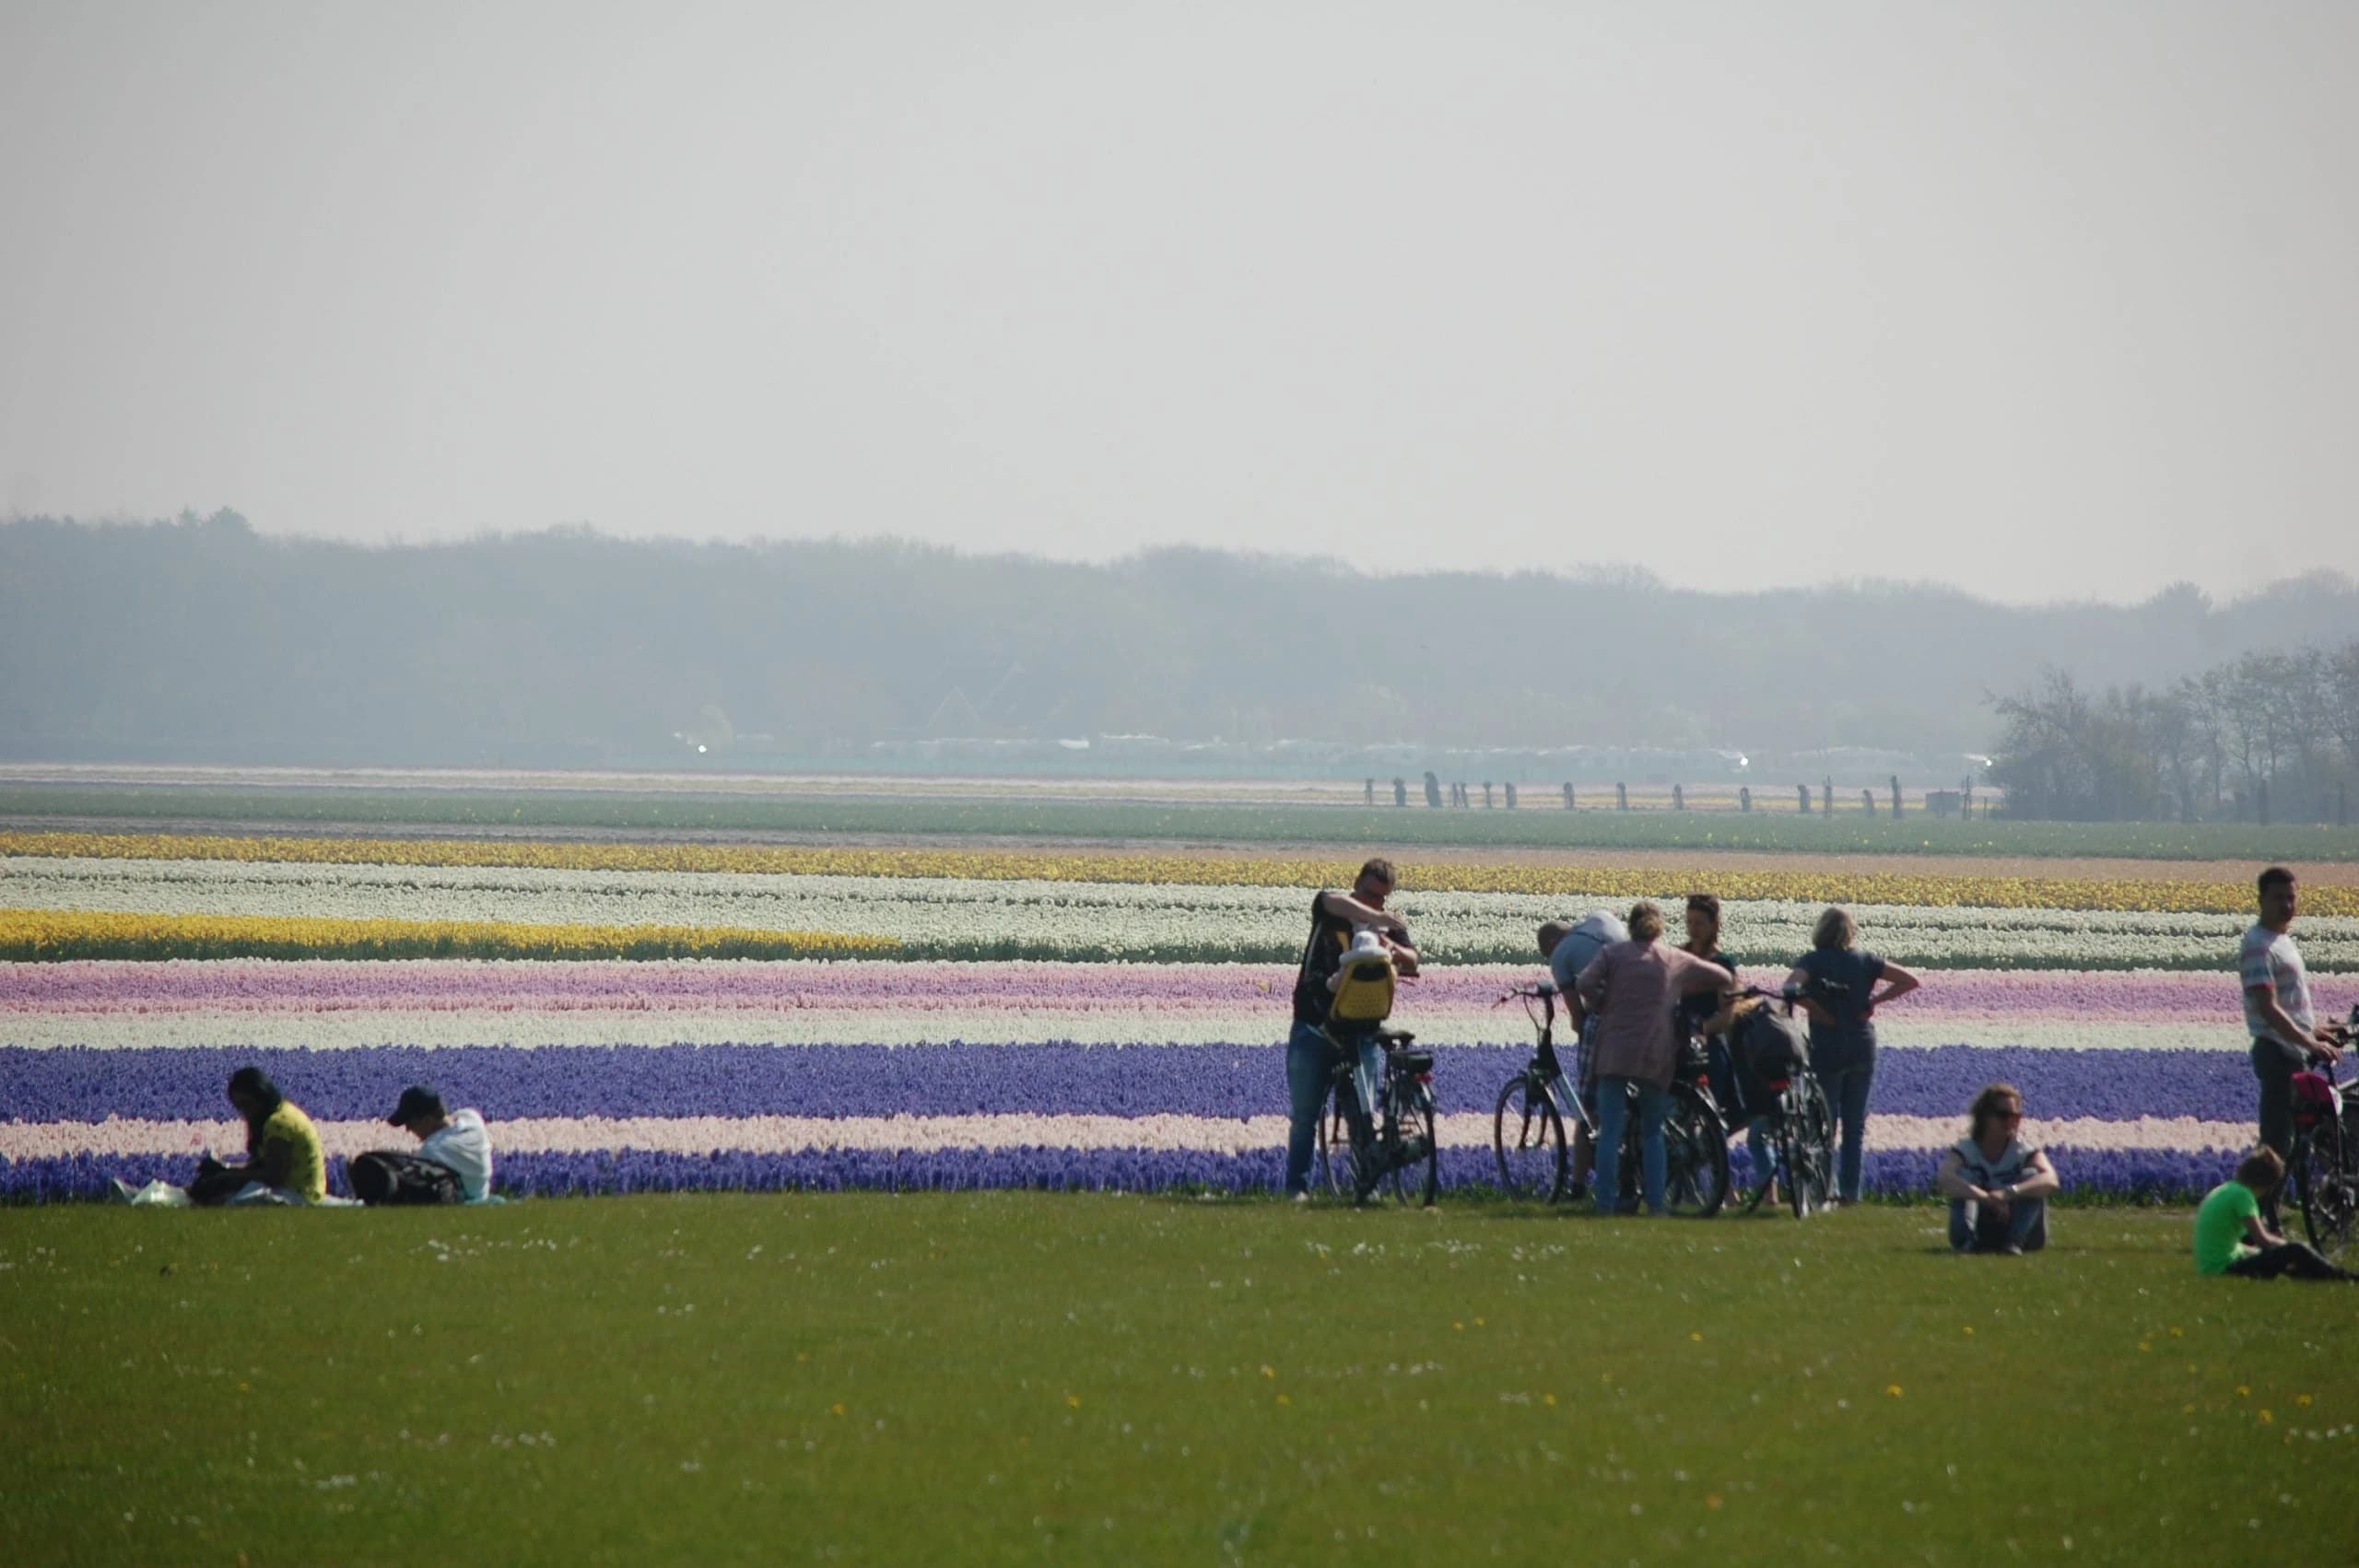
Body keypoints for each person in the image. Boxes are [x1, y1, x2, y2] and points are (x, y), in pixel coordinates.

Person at [1572, 901, 1730, 1217]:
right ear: (1659, 927)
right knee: (1653, 1130)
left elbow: (1583, 983)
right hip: (1655, 1051)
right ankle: (1657, 1204)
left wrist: (1603, 1004)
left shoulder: (1612, 955)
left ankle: (1604, 1203)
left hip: (1615, 1048)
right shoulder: (1672, 957)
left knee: (1610, 1131)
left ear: (1630, 927)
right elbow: (1722, 975)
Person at [1285, 859, 1418, 1199]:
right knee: (1305, 1116)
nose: (1375, 903)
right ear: (1356, 883)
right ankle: (1296, 1189)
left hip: (1361, 1031)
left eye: (1382, 898)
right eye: (1368, 893)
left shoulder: (1388, 927)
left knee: (1362, 1114)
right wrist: (1377, 919)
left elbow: (1413, 960)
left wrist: (1390, 946)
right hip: (1314, 1027)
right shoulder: (1332, 911)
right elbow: (1330, 899)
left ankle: (1365, 1186)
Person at [1788, 907, 1919, 1205]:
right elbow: (1910, 980)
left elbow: (1790, 988)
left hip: (1828, 1048)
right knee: (1854, 1126)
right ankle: (1850, 1194)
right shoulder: (1866, 960)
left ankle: (1822, 1190)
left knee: (1825, 1123)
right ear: (1850, 933)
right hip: (1862, 1046)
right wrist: (1874, 1001)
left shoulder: (1813, 961)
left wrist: (1816, 1009)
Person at [2242, 866, 2346, 1222]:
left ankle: (2269, 1214)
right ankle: (2253, 1221)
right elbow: (2267, 1009)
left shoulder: (2282, 941)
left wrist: (2317, 1030)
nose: (2286, 905)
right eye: (2277, 898)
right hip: (2278, 1054)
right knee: (2276, 1143)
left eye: (2291, 897)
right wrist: (2307, 1041)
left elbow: (2288, 1005)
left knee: (2295, 1142)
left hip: (2294, 1050)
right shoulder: (2258, 945)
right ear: (2261, 901)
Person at [1537, 910, 1628, 1199]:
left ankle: (1577, 1185)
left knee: (1588, 1107)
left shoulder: (1560, 955)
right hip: (1644, 1009)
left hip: (1609, 1019)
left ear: (1551, 944)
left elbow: (1577, 1014)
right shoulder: (1601, 917)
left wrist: (1582, 1028)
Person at [2194, 1148, 2353, 1281]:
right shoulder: (2243, 1196)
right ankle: (2342, 1276)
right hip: (2226, 1269)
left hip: (2210, 1267)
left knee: (2279, 1255)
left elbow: (2237, 1245)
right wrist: (2285, 1246)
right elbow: (2262, 1240)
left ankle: (2310, 1274)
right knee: (2297, 1249)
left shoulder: (2226, 1190)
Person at [1934, 1083, 2059, 1254]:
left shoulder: (2022, 1150)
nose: (2010, 1122)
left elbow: (2051, 1180)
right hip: (1983, 1225)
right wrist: (1986, 1198)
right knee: (1963, 1176)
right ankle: (1966, 1240)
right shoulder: (1967, 1149)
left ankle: (2014, 1242)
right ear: (1986, 1116)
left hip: (2024, 1232)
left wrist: (2009, 1193)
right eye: (2003, 1115)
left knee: (2033, 1176)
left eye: (2016, 1117)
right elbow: (1945, 1178)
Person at [189, 1067, 326, 1205]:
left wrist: (229, 1175)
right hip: (304, 1192)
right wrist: (227, 1169)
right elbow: (264, 1166)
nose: (244, 1112)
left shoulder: (277, 1124)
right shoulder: (282, 1110)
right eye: (239, 1107)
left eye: (247, 1104)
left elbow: (275, 1176)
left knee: (226, 1200)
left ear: (261, 1098)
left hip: (297, 1195)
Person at [352, 1085, 495, 1205]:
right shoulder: (472, 1119)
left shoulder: (433, 1149)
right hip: (483, 1195)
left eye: (410, 1123)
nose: (408, 1129)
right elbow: (454, 1118)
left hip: (464, 1200)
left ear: (427, 1120)